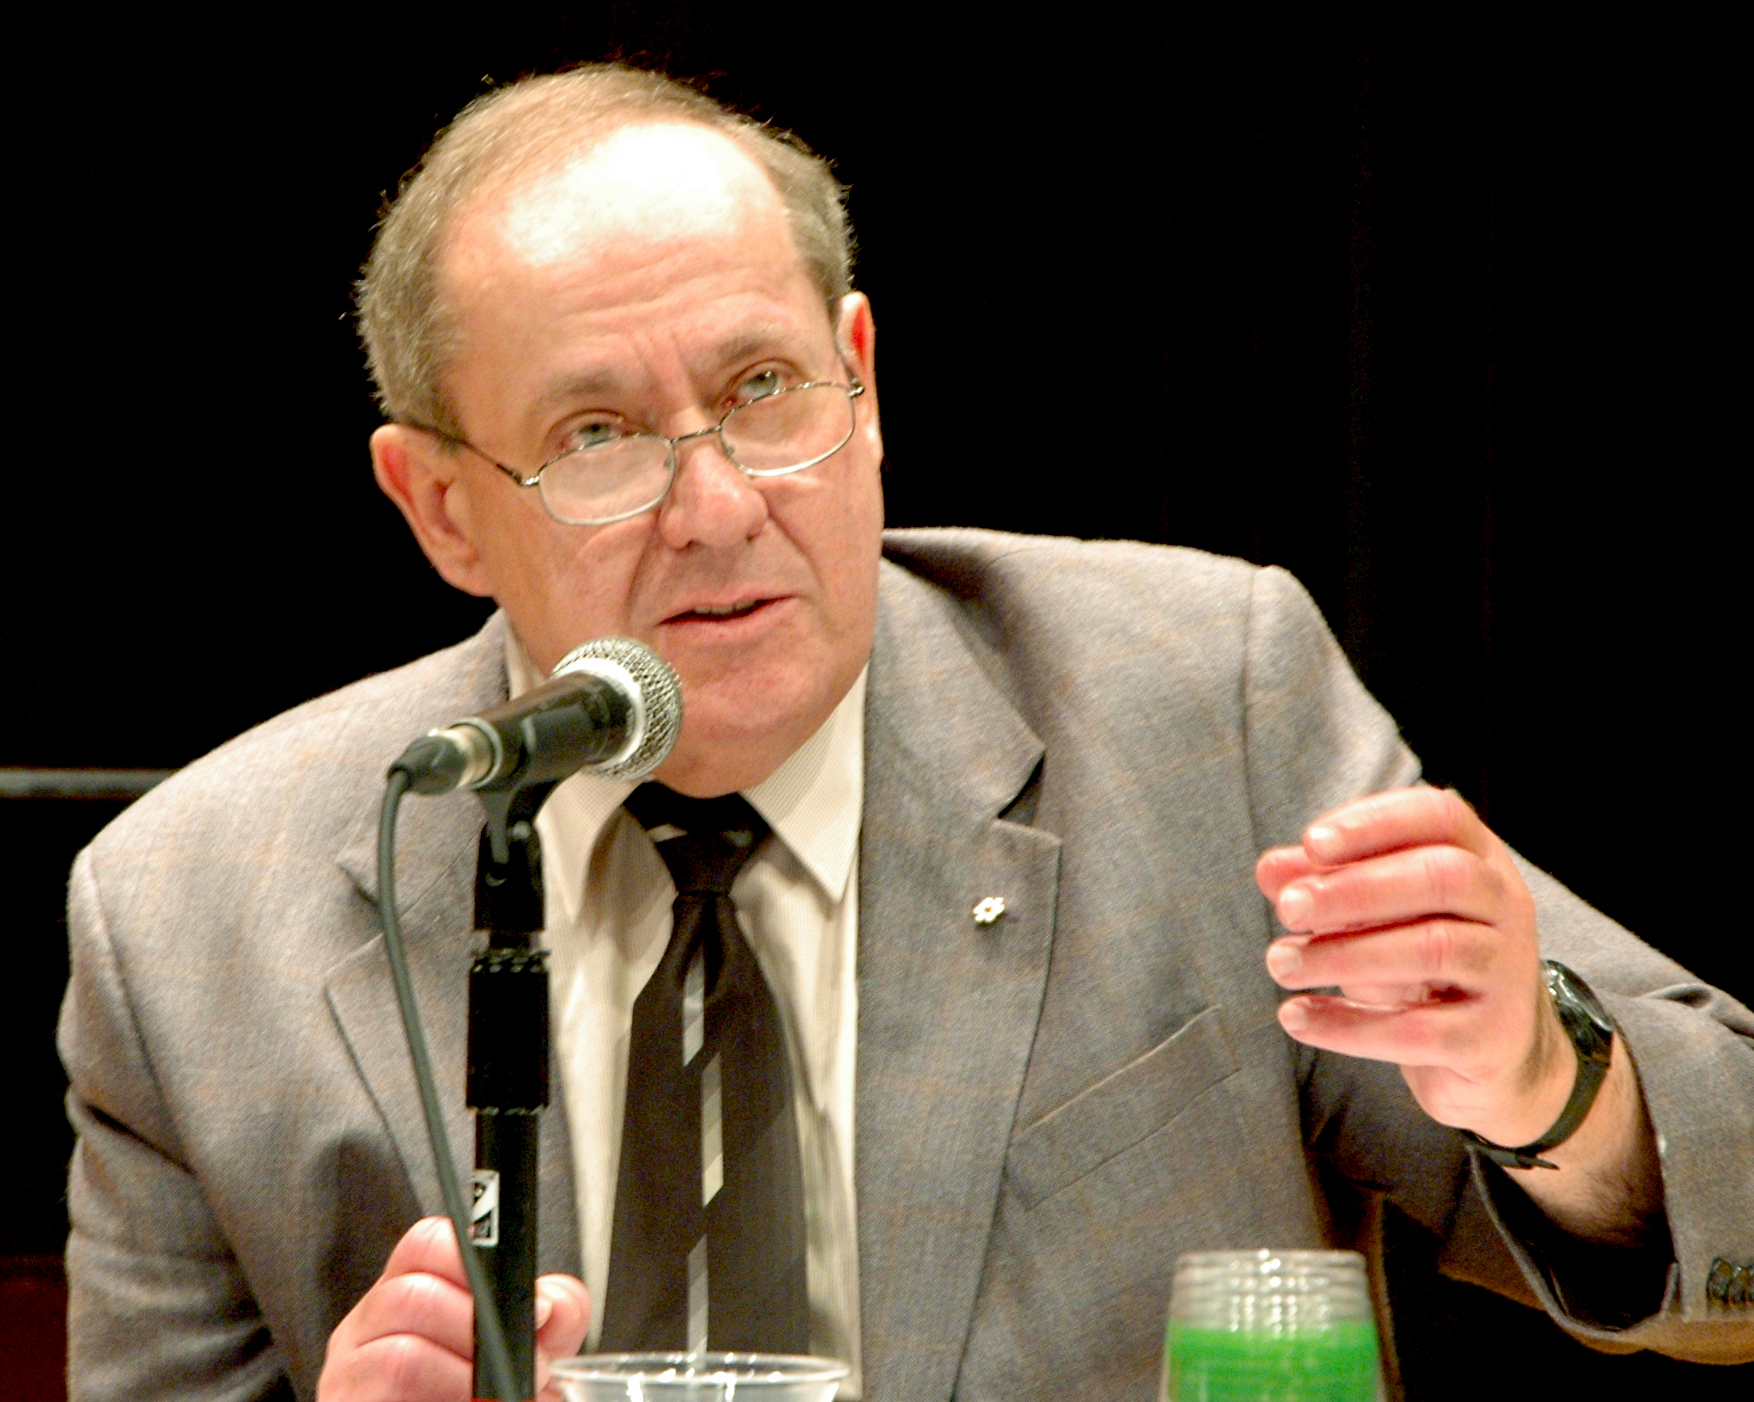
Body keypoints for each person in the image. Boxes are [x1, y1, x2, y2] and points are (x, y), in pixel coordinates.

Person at [59, 64, 1753, 1402]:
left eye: (764, 391)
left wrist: (1547, 1078)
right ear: (438, 505)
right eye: (595, 433)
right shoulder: (191, 916)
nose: (715, 506)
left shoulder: (1192, 701)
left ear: (861, 372)